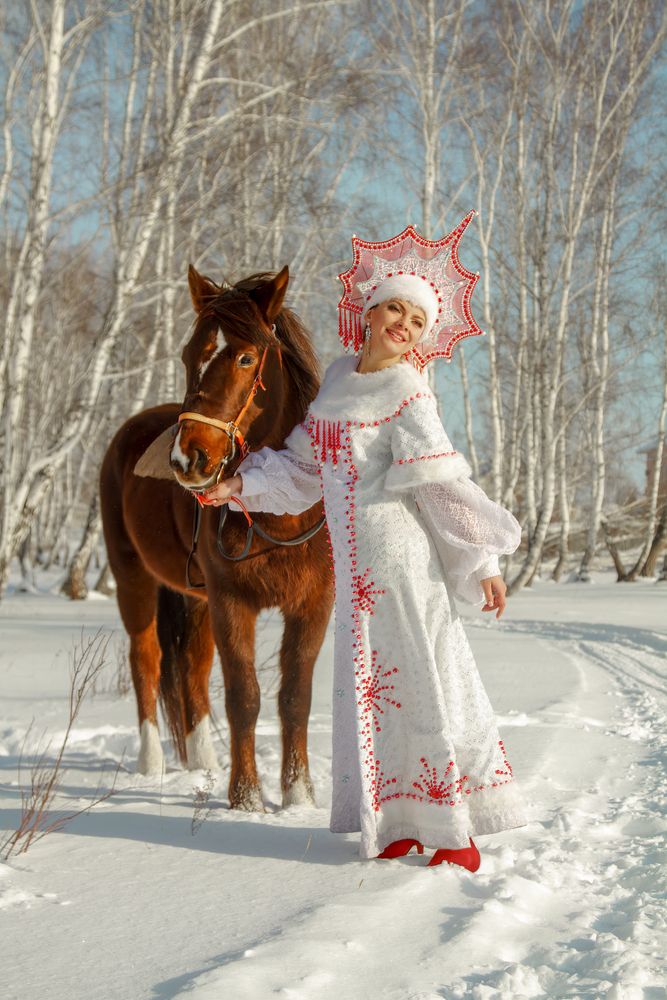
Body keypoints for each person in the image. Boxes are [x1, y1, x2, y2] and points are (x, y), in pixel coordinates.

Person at [202, 269, 529, 870]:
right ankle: (400, 819)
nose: (405, 325)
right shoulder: (336, 380)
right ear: (370, 312)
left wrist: (482, 559)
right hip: (356, 574)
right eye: (396, 310)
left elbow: (441, 485)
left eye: (418, 321)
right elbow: (303, 470)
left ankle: (453, 831)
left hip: (401, 563)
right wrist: (239, 486)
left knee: (422, 688)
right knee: (377, 696)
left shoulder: (408, 390)